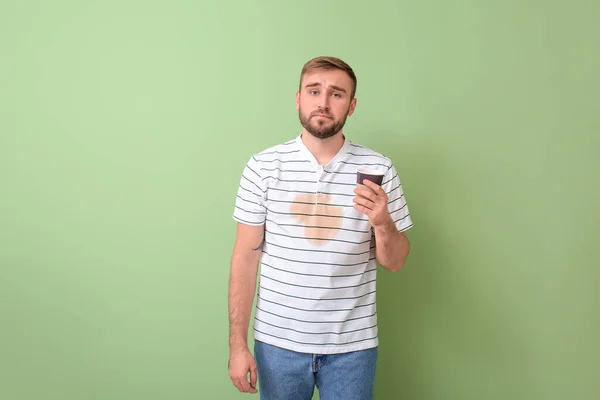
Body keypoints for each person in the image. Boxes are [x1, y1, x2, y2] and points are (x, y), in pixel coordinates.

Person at [227, 56, 413, 400]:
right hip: (277, 344)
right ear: (298, 98)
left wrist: (383, 222)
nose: (323, 102)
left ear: (351, 106)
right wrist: (238, 346)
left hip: (352, 347)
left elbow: (396, 261)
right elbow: (244, 259)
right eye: (314, 91)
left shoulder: (378, 168)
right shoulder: (263, 166)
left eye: (337, 94)